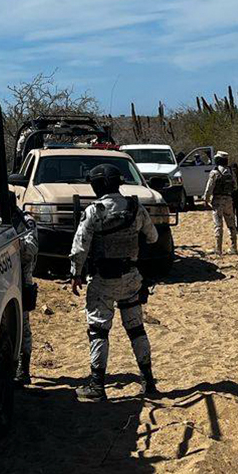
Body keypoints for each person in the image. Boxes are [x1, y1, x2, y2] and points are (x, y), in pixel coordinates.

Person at [69, 164, 160, 400]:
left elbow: (80, 248)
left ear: (97, 185)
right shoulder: (135, 207)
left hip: (103, 281)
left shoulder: (93, 212)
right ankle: (148, 383)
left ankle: (97, 386)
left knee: (98, 331)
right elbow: (153, 237)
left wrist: (75, 274)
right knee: (136, 329)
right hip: (131, 279)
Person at [0, 193, 39, 385]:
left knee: (23, 325)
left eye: (0, 209)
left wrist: (12, 242)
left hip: (22, 278)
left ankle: (24, 367)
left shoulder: (25, 221)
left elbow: (31, 248)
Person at [203, 150, 238, 254]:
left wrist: (206, 199)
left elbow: (209, 188)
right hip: (229, 200)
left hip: (218, 201)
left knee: (218, 225)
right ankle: (234, 248)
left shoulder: (215, 172)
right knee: (231, 224)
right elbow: (235, 187)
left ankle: (218, 249)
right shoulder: (231, 172)